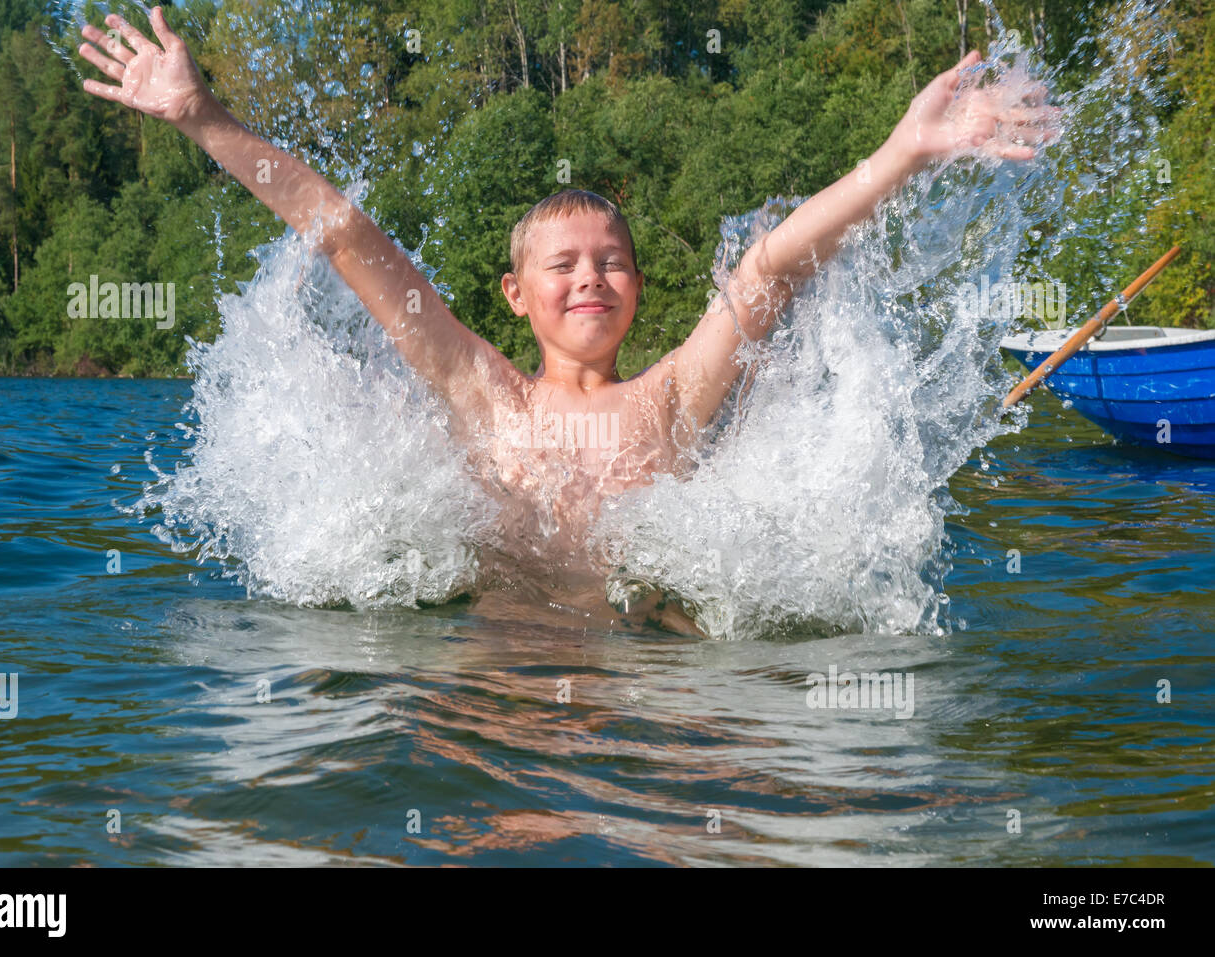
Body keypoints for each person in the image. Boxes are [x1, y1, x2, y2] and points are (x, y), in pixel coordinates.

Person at [78, 7, 1056, 631]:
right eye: (564, 265)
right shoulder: (484, 396)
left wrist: (904, 154)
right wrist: (204, 119)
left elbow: (772, 267)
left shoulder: (671, 395)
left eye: (613, 262)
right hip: (506, 664)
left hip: (655, 662)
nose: (591, 278)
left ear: (635, 286)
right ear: (515, 295)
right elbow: (342, 236)